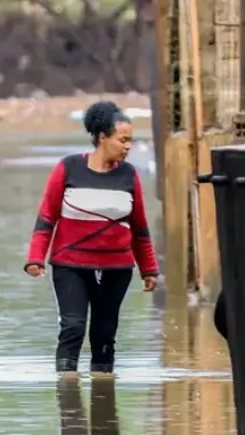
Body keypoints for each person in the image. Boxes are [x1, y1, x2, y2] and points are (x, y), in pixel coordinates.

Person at [24, 100, 160, 374]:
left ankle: (103, 402)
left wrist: (149, 269)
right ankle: (68, 400)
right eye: (123, 140)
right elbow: (47, 218)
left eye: (131, 141)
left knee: (105, 334)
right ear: (102, 137)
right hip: (70, 264)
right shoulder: (69, 168)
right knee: (73, 327)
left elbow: (139, 228)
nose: (128, 146)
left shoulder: (129, 175)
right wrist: (35, 258)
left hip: (116, 268)